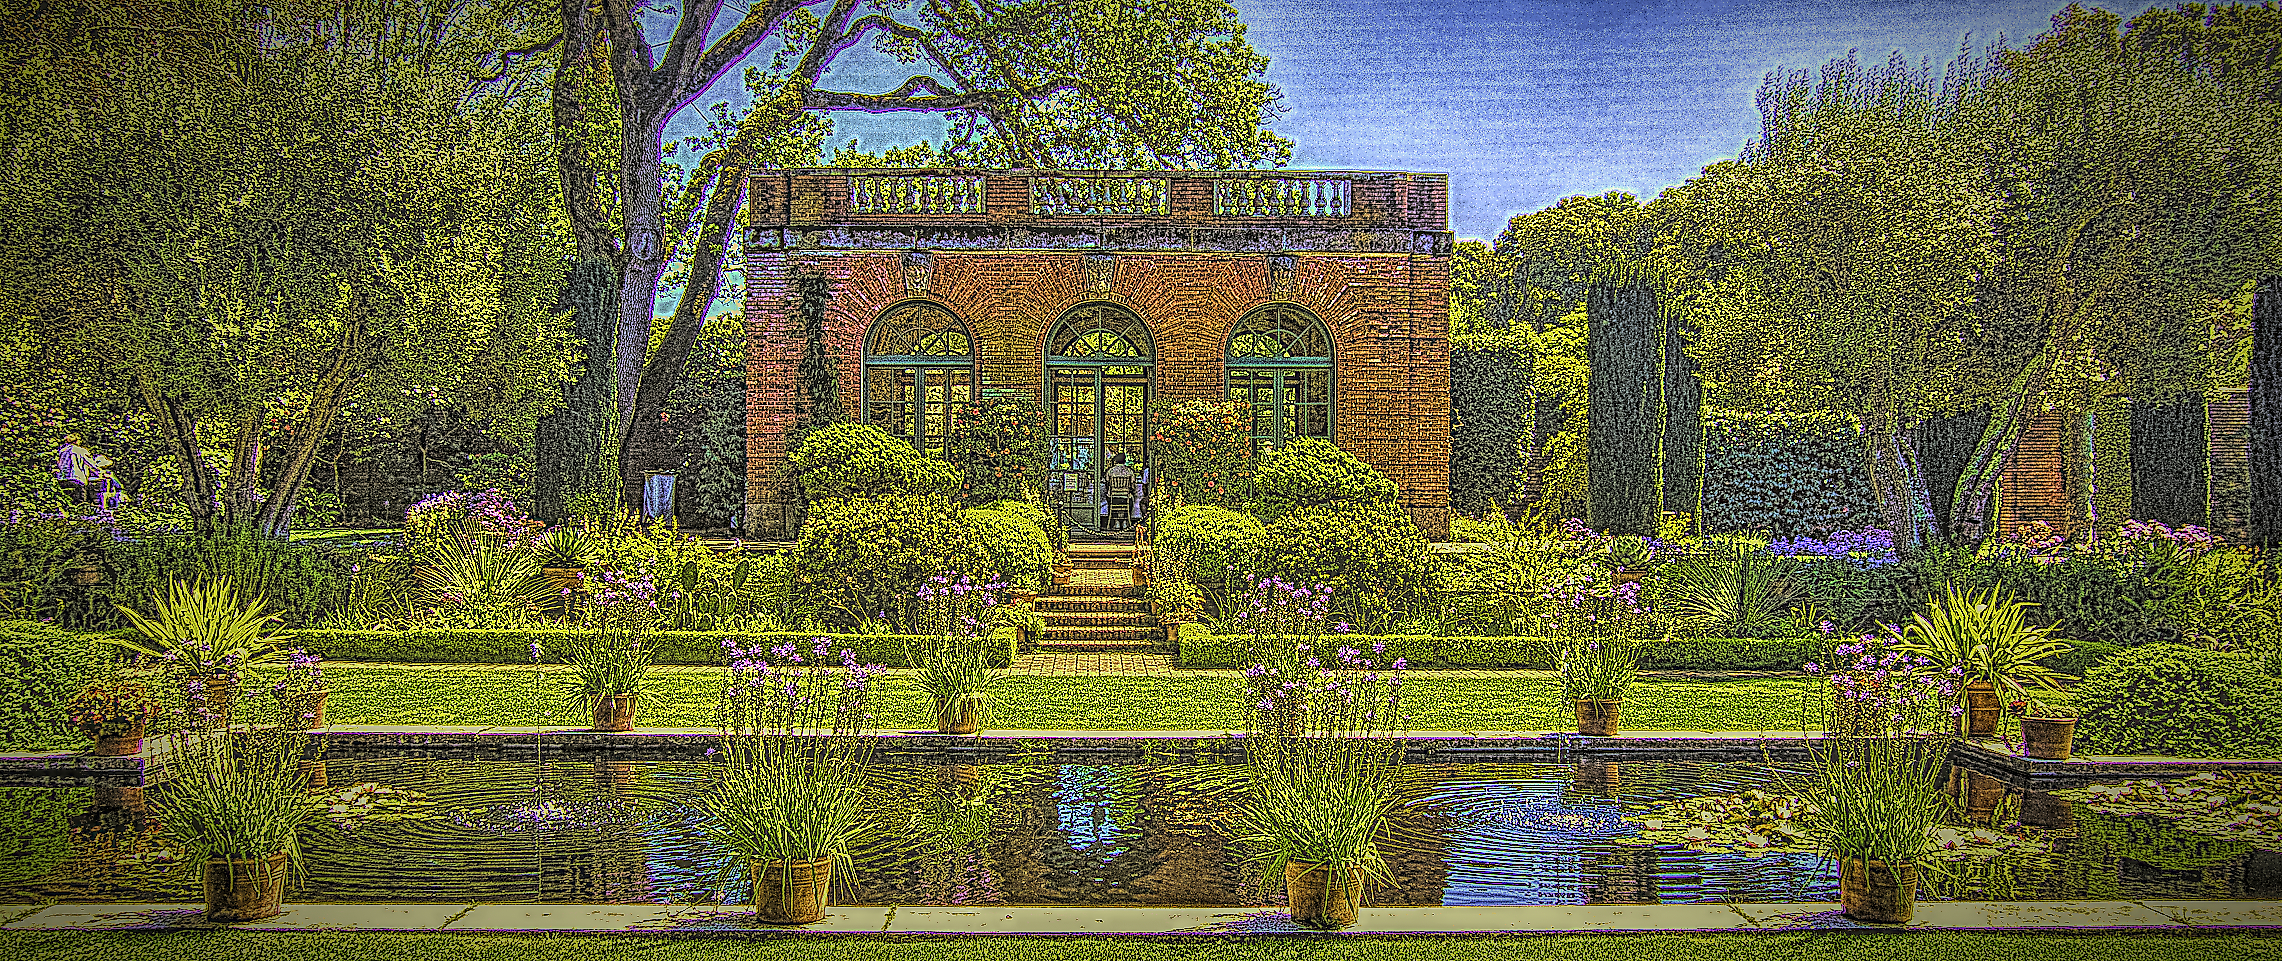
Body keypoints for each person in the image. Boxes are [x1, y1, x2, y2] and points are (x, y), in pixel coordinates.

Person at [56, 434, 113, 507]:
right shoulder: (80, 450)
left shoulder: (61, 451)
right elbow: (92, 464)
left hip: (62, 480)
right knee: (81, 503)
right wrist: (100, 472)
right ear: (77, 441)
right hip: (76, 479)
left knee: (66, 502)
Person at [1103, 451, 1137, 532]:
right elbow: (1133, 485)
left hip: (1113, 496)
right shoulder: (1129, 471)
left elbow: (1107, 483)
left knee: (1110, 502)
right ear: (1124, 461)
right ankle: (1125, 521)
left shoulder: (1110, 471)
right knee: (1130, 501)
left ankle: (1116, 522)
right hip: (1125, 496)